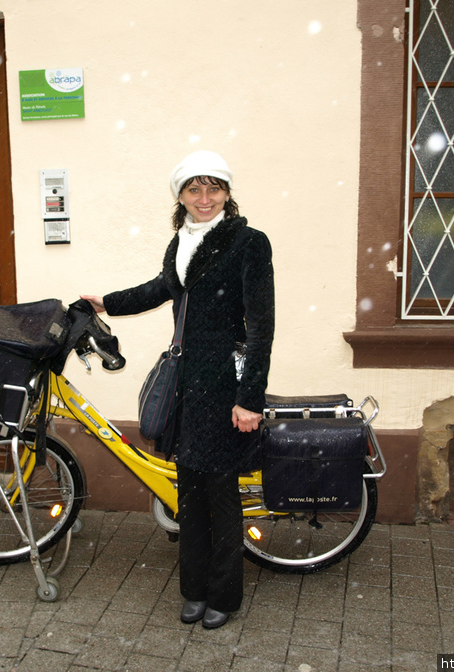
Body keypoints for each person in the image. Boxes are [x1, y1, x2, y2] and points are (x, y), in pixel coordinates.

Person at [82, 150, 274, 629]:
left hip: (226, 385)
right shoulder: (180, 243)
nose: (204, 198)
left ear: (227, 194)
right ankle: (194, 589)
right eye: (194, 189)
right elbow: (161, 288)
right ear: (181, 197)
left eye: (213, 188)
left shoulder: (248, 242)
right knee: (187, 492)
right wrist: (107, 303)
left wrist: (250, 398)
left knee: (221, 494)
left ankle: (224, 595)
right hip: (188, 386)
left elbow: (262, 326)